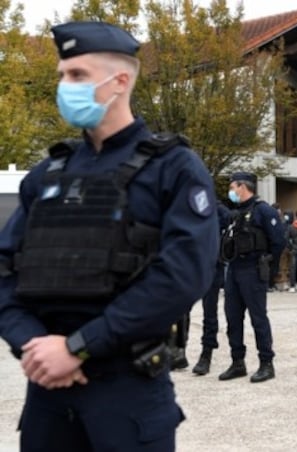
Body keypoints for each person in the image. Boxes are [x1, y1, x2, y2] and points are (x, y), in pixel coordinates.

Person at [0, 21, 219, 451]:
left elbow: (181, 277)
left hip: (126, 391)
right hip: (48, 393)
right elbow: (3, 266)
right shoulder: (46, 175)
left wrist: (80, 347)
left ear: (119, 81)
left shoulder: (174, 169)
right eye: (63, 76)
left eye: (77, 75)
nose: (65, 86)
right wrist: (32, 344)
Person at [218, 172, 286, 383]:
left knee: (258, 318)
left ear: (242, 187)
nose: (231, 191)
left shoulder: (263, 210)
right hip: (235, 269)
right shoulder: (236, 213)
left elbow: (279, 241)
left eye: (232, 186)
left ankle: (266, 363)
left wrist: (268, 266)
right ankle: (237, 362)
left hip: (253, 269)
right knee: (232, 318)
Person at [192, 201, 231, 375]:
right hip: (190, 265)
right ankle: (177, 351)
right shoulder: (186, 206)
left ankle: (206, 353)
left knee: (209, 312)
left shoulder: (220, 210)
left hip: (211, 267)